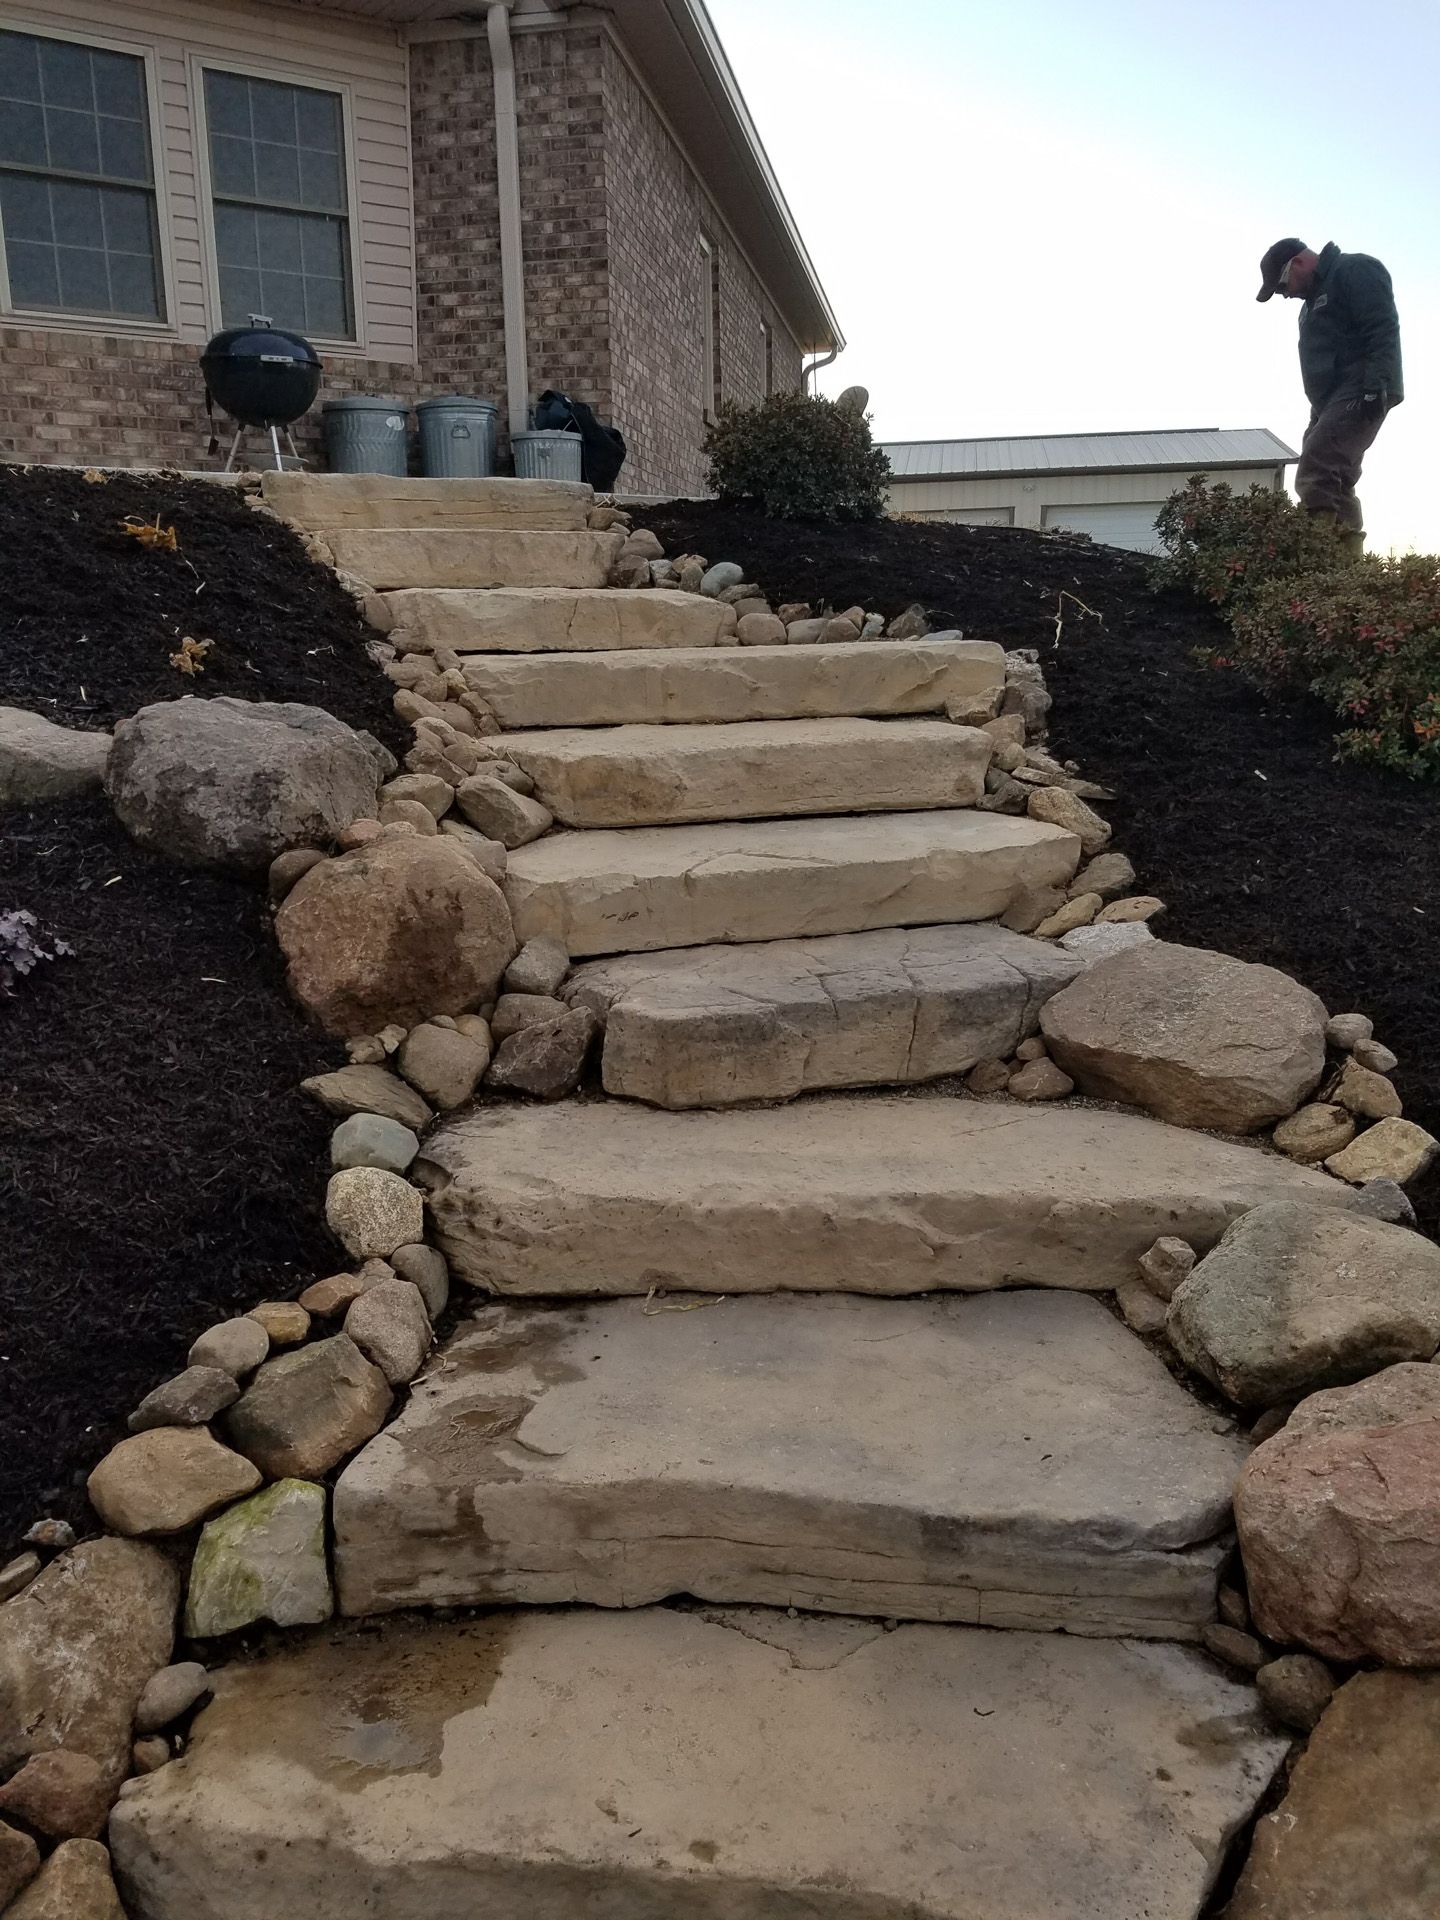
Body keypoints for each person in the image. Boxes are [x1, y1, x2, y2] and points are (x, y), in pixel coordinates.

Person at [1256, 238, 1403, 556]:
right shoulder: (1309, 305)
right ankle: (1347, 570)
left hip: (1362, 385)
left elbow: (1382, 326)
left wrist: (1375, 384)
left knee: (1317, 464)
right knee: (1337, 476)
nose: (1286, 295)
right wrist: (1320, 406)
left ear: (1297, 262)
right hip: (1329, 400)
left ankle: (1315, 559)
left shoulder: (1353, 269)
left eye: (1282, 285)